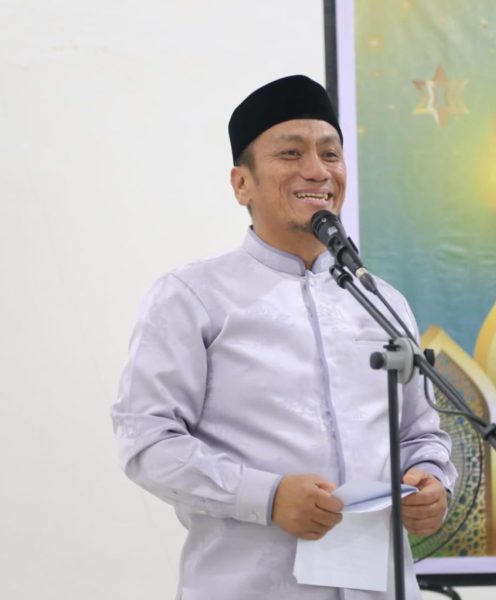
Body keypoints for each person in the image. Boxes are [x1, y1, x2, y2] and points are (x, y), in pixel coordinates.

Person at [112, 74, 456, 600]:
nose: (317, 170)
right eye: (291, 153)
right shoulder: (192, 297)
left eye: (330, 154)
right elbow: (147, 442)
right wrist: (267, 497)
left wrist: (431, 481)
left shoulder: (381, 302)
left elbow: (420, 433)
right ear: (241, 184)